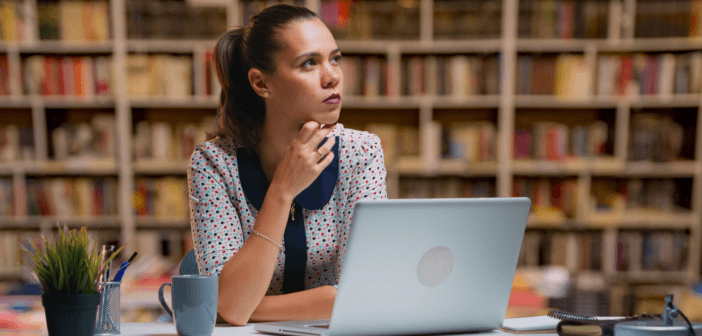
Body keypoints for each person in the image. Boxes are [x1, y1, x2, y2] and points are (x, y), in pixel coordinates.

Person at [187, 4, 388, 327]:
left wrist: (246, 306)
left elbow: (365, 294)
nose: (333, 76)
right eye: (309, 63)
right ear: (261, 83)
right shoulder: (213, 164)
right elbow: (229, 306)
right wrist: (282, 189)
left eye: (334, 58)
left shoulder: (361, 153)